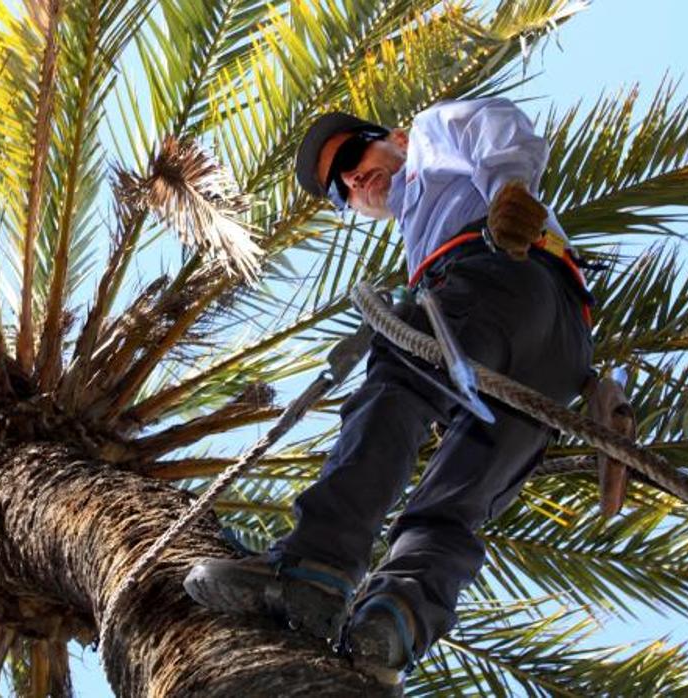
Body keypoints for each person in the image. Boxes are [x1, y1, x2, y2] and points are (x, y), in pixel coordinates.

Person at [183, 97, 595, 686]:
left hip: (501, 275)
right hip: (562, 346)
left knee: (398, 377)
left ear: (393, 138)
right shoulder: (417, 232)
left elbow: (491, 125)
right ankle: (394, 619)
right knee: (460, 494)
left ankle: (316, 562)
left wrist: (509, 190)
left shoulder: (426, 141)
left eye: (351, 154)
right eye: (339, 189)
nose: (352, 178)